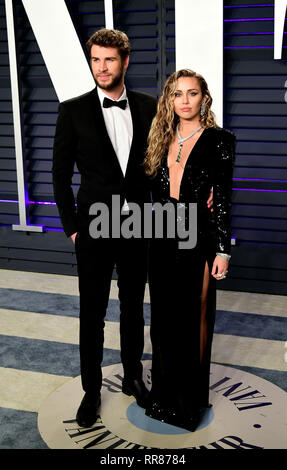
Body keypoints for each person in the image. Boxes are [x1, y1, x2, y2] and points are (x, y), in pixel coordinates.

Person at [52, 28, 157, 428]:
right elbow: (60, 175)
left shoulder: (150, 106)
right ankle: (91, 390)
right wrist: (72, 228)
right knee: (91, 312)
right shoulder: (73, 110)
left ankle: (133, 376)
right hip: (92, 227)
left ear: (125, 61)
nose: (102, 67)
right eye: (96, 59)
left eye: (109, 59)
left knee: (133, 306)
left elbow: (160, 170)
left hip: (137, 223)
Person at [143, 69, 236, 432]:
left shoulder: (219, 140)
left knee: (194, 316)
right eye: (177, 94)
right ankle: (163, 396)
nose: (184, 100)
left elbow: (224, 199)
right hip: (162, 230)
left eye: (192, 93)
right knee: (164, 318)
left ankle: (190, 402)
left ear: (203, 98)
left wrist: (222, 250)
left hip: (197, 232)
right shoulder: (157, 137)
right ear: (169, 99)